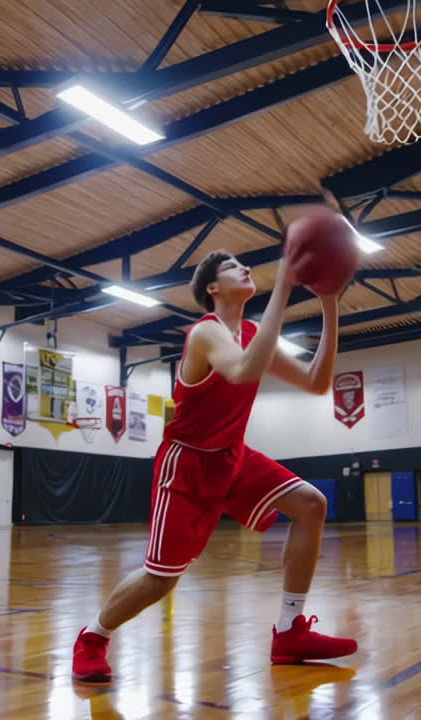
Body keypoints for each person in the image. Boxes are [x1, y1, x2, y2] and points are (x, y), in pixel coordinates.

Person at [72, 217, 356, 683]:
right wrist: (283, 287)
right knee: (161, 579)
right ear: (213, 291)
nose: (246, 269)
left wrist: (328, 304)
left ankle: (289, 630)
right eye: (233, 266)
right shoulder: (204, 333)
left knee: (311, 504)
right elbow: (242, 371)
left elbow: (317, 381)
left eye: (245, 264)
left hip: (231, 455)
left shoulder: (250, 334)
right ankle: (93, 637)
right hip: (187, 463)